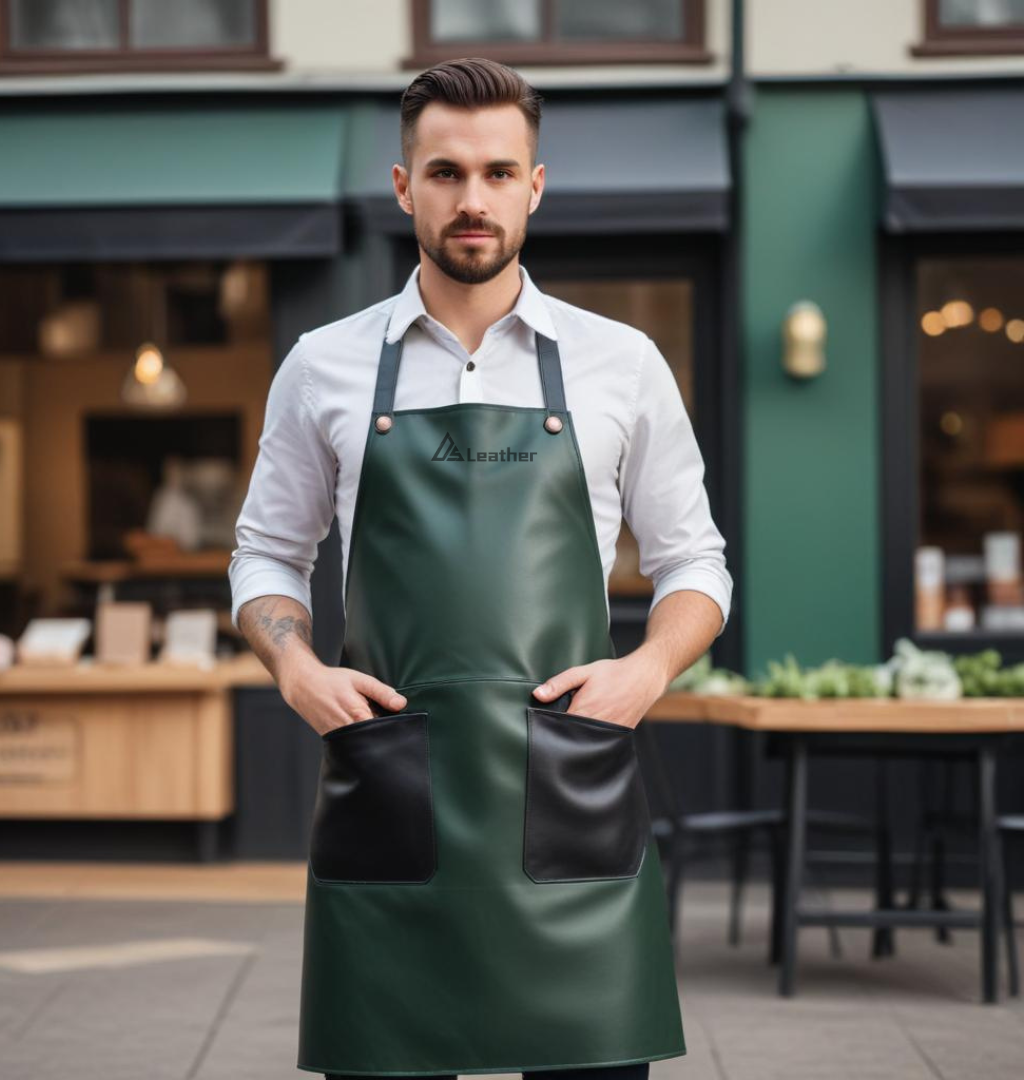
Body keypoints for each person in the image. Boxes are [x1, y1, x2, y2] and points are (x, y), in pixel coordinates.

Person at [230, 56, 733, 1080]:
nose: (473, 199)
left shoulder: (620, 362)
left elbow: (695, 562)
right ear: (404, 185)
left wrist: (643, 674)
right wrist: (296, 669)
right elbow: (269, 552)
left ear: (534, 187)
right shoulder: (324, 363)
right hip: (392, 790)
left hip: (569, 791)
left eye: (500, 173)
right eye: (447, 172)